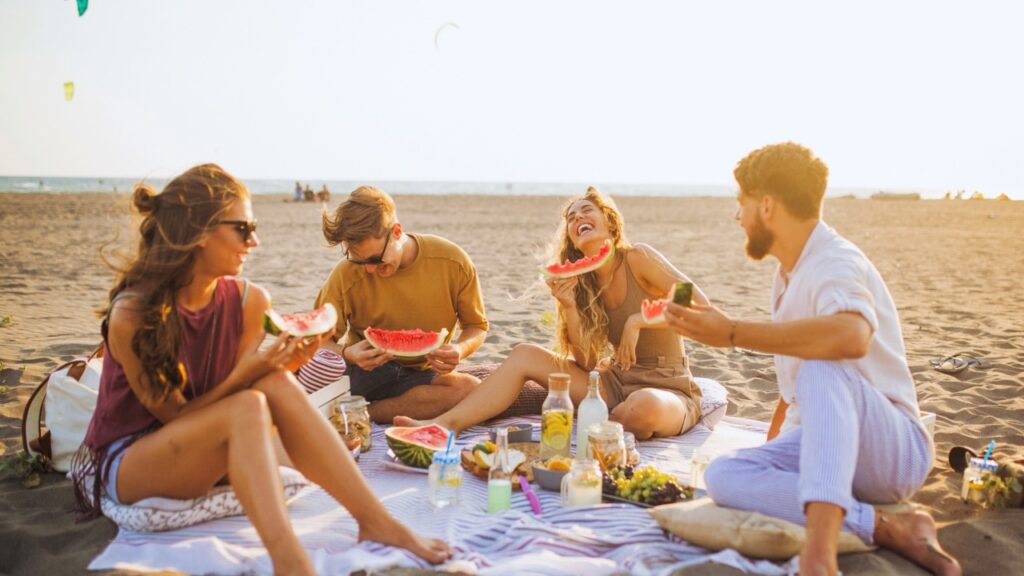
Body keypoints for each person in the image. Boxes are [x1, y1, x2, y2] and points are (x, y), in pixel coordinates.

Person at [71, 165, 449, 575]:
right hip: (134, 461)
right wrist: (247, 376)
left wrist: (278, 368)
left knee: (272, 382)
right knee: (251, 399)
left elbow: (233, 404)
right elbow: (174, 417)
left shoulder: (249, 302)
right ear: (198, 232)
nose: (255, 241)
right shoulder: (133, 314)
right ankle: (291, 563)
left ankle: (375, 521)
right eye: (243, 228)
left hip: (207, 450)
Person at [663, 143, 960, 576]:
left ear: (766, 205)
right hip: (830, 443)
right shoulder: (788, 273)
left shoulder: (835, 262)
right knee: (724, 475)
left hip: (893, 451)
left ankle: (819, 558)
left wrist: (731, 334)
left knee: (824, 364)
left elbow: (851, 337)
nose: (738, 216)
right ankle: (888, 526)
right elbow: (794, 394)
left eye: (740, 204)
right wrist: (767, 459)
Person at [396, 186, 707, 440]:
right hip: (613, 385)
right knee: (524, 353)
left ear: (610, 221)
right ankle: (444, 426)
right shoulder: (582, 282)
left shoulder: (637, 257)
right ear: (571, 237)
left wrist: (638, 320)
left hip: (667, 386)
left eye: (587, 210)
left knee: (643, 408)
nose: (577, 218)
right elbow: (585, 362)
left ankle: (608, 422)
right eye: (571, 218)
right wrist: (570, 306)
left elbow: (694, 297)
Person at [316, 185, 488, 424]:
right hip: (362, 372)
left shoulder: (452, 262)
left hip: (420, 375)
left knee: (469, 388)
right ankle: (352, 409)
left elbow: (476, 326)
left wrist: (459, 349)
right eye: (359, 261)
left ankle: (365, 414)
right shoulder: (346, 274)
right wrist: (347, 353)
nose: (370, 269)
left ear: (396, 232)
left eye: (376, 259)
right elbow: (318, 341)